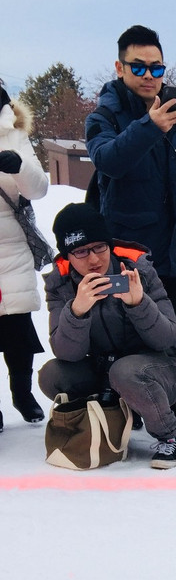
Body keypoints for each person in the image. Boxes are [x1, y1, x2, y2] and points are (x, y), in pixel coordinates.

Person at [40, 204, 176, 469]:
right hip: (105, 371)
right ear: (67, 255)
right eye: (81, 251)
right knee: (53, 374)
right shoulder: (61, 285)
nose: (94, 259)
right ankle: (123, 412)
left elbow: (166, 339)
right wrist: (77, 312)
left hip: (163, 367)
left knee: (126, 371)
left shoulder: (137, 270)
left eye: (100, 247)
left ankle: (170, 432)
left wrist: (138, 304)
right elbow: (66, 354)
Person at [85, 24, 176, 319]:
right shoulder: (104, 118)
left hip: (173, 258)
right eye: (138, 68)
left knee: (167, 344)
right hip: (127, 259)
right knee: (125, 344)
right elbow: (108, 160)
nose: (149, 75)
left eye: (156, 68)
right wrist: (149, 127)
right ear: (119, 67)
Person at [0, 79, 49, 426]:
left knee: (17, 329)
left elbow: (40, 188)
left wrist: (18, 165)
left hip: (12, 247)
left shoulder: (13, 132)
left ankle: (22, 392)